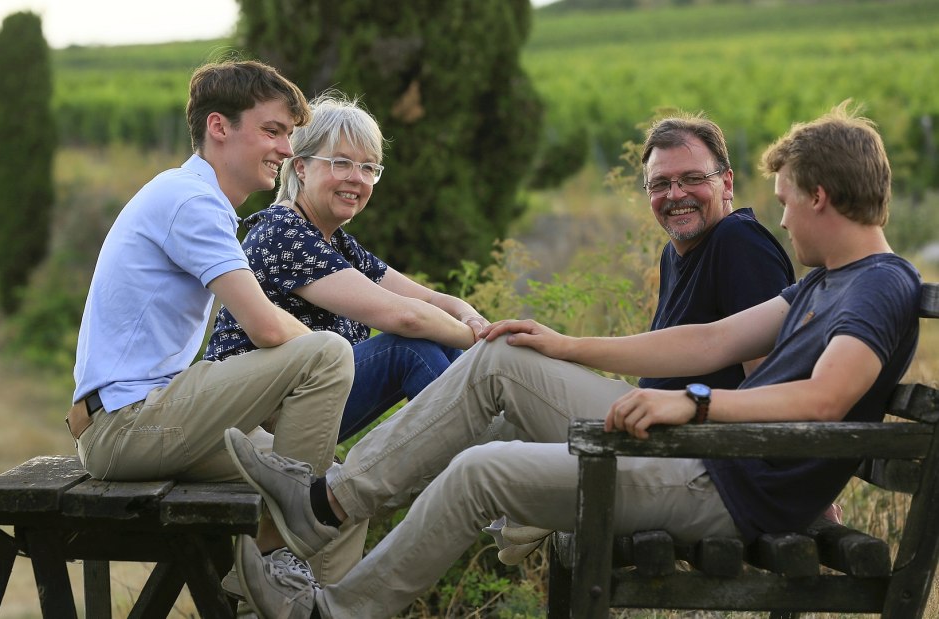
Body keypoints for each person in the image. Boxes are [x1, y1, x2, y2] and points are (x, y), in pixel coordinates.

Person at [224, 101, 921, 619]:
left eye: (788, 202)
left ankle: (334, 610)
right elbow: (709, 342)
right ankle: (328, 502)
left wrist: (697, 402)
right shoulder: (827, 282)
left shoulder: (879, 285)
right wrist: (559, 343)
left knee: (480, 471)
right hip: (705, 454)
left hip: (723, 484)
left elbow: (828, 399)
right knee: (499, 360)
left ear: (820, 196)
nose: (786, 218)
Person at [67, 60, 355, 586]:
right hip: (125, 425)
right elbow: (265, 327)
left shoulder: (200, 200)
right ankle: (270, 562)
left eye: (289, 135)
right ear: (219, 127)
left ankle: (302, 599)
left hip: (146, 417)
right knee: (330, 352)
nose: (287, 151)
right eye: (273, 131)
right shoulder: (190, 200)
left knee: (341, 490)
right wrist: (315, 362)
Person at [486, 112, 795, 563]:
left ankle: (359, 491)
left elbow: (768, 389)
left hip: (689, 460)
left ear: (727, 182)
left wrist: (795, 484)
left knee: (501, 368)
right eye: (660, 184)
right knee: (502, 417)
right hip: (649, 431)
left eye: (692, 178)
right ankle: (525, 509)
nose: (676, 195)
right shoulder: (677, 253)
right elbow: (672, 356)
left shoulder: (739, 242)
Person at [205, 93, 488, 444]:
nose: (358, 178)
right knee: (409, 349)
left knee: (441, 345)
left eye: (369, 167)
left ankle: (484, 463)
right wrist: (483, 343)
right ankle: (484, 465)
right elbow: (406, 318)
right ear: (301, 167)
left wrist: (470, 316)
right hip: (255, 415)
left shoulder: (338, 245)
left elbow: (429, 301)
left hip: (299, 398)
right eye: (341, 163)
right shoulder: (283, 233)